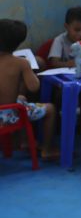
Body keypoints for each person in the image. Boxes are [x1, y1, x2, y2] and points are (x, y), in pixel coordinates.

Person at [0, 19, 59, 161]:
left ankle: (22, 142)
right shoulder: (21, 63)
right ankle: (46, 149)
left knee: (21, 99)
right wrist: (30, 72)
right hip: (8, 115)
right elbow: (34, 87)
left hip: (6, 110)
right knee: (50, 109)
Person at [47, 6, 81, 134]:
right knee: (59, 96)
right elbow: (53, 62)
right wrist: (69, 63)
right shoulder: (60, 40)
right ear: (66, 26)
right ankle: (59, 120)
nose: (80, 34)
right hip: (64, 83)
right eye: (76, 30)